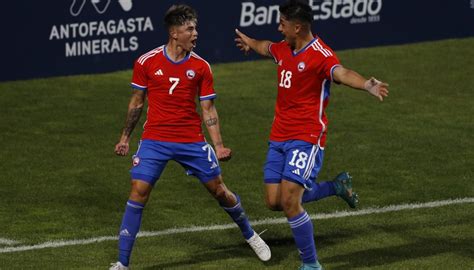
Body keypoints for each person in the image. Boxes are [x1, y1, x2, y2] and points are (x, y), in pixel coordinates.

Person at [109, 4, 271, 270]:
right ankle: (122, 263)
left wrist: (218, 145)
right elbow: (137, 103)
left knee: (220, 191)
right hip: (155, 140)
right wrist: (125, 138)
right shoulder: (146, 62)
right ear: (174, 33)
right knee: (138, 192)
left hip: (191, 141)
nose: (196, 34)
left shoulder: (201, 67)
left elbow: (208, 108)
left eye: (195, 28)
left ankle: (250, 234)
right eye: (190, 29)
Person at [234, 0, 389, 269]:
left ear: (298, 26)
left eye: (283, 23)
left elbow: (341, 73)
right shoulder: (284, 49)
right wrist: (250, 43)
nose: (278, 27)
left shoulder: (320, 54)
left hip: (306, 138)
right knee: (274, 201)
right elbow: (265, 47)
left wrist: (366, 84)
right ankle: (335, 187)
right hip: (279, 137)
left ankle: (311, 264)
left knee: (291, 200)